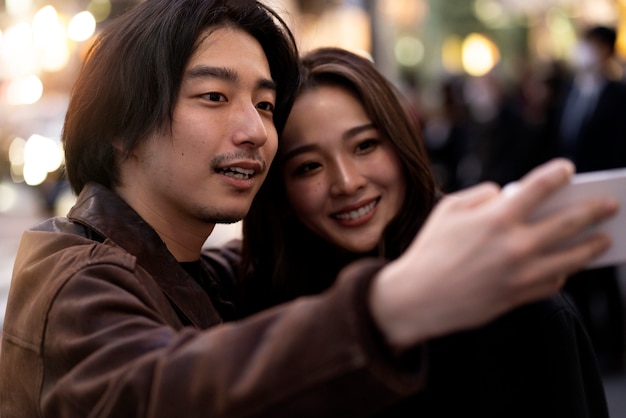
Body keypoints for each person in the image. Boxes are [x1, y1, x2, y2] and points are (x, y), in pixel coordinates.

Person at [0, 0, 617, 416]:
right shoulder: (80, 278)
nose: (254, 130)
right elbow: (161, 389)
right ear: (120, 127)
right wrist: (396, 301)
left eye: (266, 106)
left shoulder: (190, 270)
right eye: (214, 96)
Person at [239, 47, 612, 417]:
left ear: (401, 144)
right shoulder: (263, 323)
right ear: (281, 191)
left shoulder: (519, 303)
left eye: (365, 145)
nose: (347, 182)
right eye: (308, 167)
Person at [542, 25, 626, 374]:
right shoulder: (571, 90)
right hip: (570, 194)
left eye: (590, 44)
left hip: (605, 193)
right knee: (577, 273)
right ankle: (589, 343)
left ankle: (616, 348)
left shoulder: (618, 93)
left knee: (605, 272)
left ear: (605, 49)